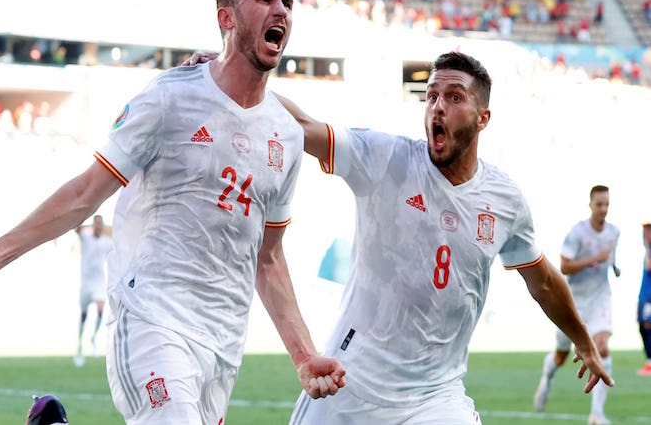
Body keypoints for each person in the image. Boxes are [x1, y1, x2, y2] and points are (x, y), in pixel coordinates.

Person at [0, 0, 345, 424]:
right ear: (227, 18)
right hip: (151, 318)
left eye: (287, 2)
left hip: (222, 343)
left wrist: (303, 356)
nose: (281, 9)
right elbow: (86, 193)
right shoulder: (168, 97)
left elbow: (269, 257)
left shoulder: (285, 134)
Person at [268, 51, 611, 423]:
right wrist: (232, 76)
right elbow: (303, 125)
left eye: (454, 97)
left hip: (435, 398)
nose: (437, 107)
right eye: (431, 95)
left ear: (484, 118)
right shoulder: (386, 158)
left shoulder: (503, 200)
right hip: (348, 384)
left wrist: (581, 338)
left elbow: (543, 281)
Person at [533, 185, 620, 425]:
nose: (603, 209)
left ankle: (596, 414)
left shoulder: (614, 232)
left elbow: (611, 260)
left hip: (601, 298)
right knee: (561, 356)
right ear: (590, 205)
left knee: (602, 347)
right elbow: (564, 267)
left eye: (607, 204)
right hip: (573, 302)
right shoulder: (577, 233)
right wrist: (597, 258)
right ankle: (547, 379)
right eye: (599, 204)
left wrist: (614, 266)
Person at [73, 214, 112, 367]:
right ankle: (80, 344)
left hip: (98, 283)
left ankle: (94, 338)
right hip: (85, 283)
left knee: (101, 310)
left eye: (100, 224)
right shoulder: (85, 237)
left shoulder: (107, 242)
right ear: (92, 225)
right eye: (95, 224)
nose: (98, 226)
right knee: (84, 314)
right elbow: (75, 227)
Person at [637, 220, 651, 376]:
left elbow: (649, 266)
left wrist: (647, 246)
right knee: (642, 326)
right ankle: (649, 361)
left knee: (647, 326)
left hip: (649, 296)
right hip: (644, 295)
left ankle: (650, 362)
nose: (645, 233)